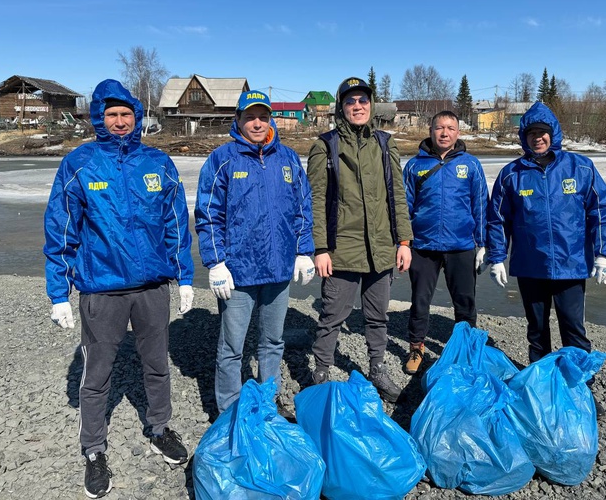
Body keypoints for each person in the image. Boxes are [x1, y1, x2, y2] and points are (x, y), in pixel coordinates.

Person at [44, 79, 195, 499]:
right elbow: (60, 231)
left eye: (126, 114)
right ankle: (94, 450)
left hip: (151, 288)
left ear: (136, 117)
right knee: (97, 374)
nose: (119, 121)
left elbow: (176, 224)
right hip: (102, 290)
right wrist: (58, 294)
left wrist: (184, 277)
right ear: (99, 118)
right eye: (111, 115)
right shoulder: (80, 164)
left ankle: (160, 428)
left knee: (156, 364)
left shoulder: (158, 163)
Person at [194, 90, 314, 416]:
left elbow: (302, 208)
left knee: (272, 343)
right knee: (232, 348)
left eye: (263, 116)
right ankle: (230, 413)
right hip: (238, 273)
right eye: (250, 117)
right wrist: (216, 262)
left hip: (278, 270)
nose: (257, 123)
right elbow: (208, 214)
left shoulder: (287, 158)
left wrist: (304, 252)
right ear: (239, 120)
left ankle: (265, 404)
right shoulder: (223, 160)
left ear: (270, 119)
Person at [307, 76, 413, 402]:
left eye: (363, 101)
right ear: (341, 107)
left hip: (380, 247)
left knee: (378, 315)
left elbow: (397, 195)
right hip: (342, 249)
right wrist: (321, 248)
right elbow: (316, 202)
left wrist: (404, 242)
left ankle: (378, 368)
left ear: (371, 105)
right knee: (332, 316)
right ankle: (321, 370)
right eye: (351, 101)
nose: (358, 106)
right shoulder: (324, 146)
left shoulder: (385, 144)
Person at [486, 101, 606, 366]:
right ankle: (541, 385)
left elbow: (601, 212)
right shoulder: (512, 175)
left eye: (542, 132)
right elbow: (498, 219)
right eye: (531, 133)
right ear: (524, 137)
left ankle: (580, 389)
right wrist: (497, 257)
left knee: (574, 330)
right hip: (530, 265)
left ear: (553, 134)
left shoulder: (580, 168)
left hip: (571, 263)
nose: (538, 138)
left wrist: (604, 254)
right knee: (537, 331)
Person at [401, 110, 489, 374]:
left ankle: (467, 350)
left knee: (465, 302)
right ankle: (416, 348)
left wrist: (482, 244)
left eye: (450, 128)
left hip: (461, 245)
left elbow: (481, 205)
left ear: (458, 132)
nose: (444, 133)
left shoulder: (471, 164)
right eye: (440, 128)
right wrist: (403, 243)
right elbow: (404, 207)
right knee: (419, 300)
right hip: (424, 246)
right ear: (431, 130)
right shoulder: (415, 166)